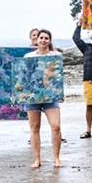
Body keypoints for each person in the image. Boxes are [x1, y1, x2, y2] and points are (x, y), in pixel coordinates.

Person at [25, 29, 63, 168]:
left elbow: (58, 77)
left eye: (46, 38)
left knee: (56, 126)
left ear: (49, 40)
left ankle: (57, 158)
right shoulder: (28, 56)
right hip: (33, 97)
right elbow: (24, 76)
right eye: (41, 37)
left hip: (50, 96)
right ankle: (37, 159)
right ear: (37, 40)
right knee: (34, 128)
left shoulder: (56, 56)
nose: (43, 40)